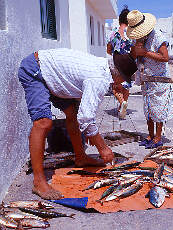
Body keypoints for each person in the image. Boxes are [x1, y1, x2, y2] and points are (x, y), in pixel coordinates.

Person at [18, 48, 137, 200]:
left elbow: (84, 114)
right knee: (43, 123)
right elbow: (87, 117)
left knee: (72, 115)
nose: (123, 84)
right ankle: (38, 181)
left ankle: (80, 157)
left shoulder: (103, 69)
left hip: (55, 76)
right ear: (118, 75)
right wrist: (103, 147)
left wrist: (90, 132)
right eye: (125, 80)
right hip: (36, 69)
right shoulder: (98, 78)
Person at [126, 10, 173, 149]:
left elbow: (165, 57)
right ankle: (150, 135)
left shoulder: (158, 37)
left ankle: (158, 137)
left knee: (158, 108)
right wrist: (135, 52)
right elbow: (134, 56)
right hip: (146, 79)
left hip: (159, 79)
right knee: (148, 108)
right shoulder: (138, 39)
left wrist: (145, 53)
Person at [107, 5, 133, 119]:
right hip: (129, 62)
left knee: (116, 87)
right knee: (126, 87)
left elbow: (108, 50)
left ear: (120, 20)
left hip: (116, 62)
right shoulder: (132, 34)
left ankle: (122, 103)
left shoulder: (113, 34)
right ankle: (122, 108)